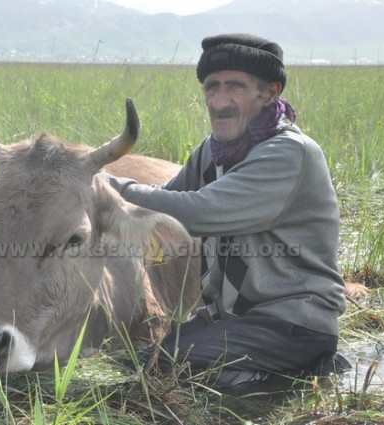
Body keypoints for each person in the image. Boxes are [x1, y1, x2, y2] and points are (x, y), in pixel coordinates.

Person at [104, 33, 349, 393]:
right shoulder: (213, 151)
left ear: (269, 93)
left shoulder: (288, 153)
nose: (219, 102)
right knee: (135, 363)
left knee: (175, 375)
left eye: (235, 86)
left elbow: (198, 211)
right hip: (231, 319)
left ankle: (301, 377)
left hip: (290, 323)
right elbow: (163, 206)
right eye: (211, 87)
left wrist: (108, 186)